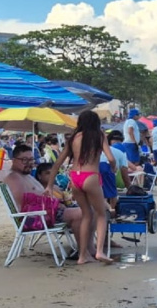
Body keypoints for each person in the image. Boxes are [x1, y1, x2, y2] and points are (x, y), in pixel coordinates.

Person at [46, 110, 116, 265]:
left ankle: (83, 255)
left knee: (86, 215)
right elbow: (111, 158)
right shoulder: (99, 135)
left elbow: (57, 164)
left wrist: (50, 185)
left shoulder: (73, 138)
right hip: (90, 176)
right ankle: (99, 251)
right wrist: (113, 168)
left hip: (75, 178)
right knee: (101, 214)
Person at [5, 144, 91, 259]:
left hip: (45, 212)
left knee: (89, 210)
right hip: (36, 217)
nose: (29, 163)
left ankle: (87, 249)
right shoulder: (14, 178)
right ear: (14, 160)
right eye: (24, 160)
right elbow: (23, 203)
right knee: (81, 213)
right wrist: (53, 204)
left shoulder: (25, 176)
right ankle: (83, 253)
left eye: (31, 160)